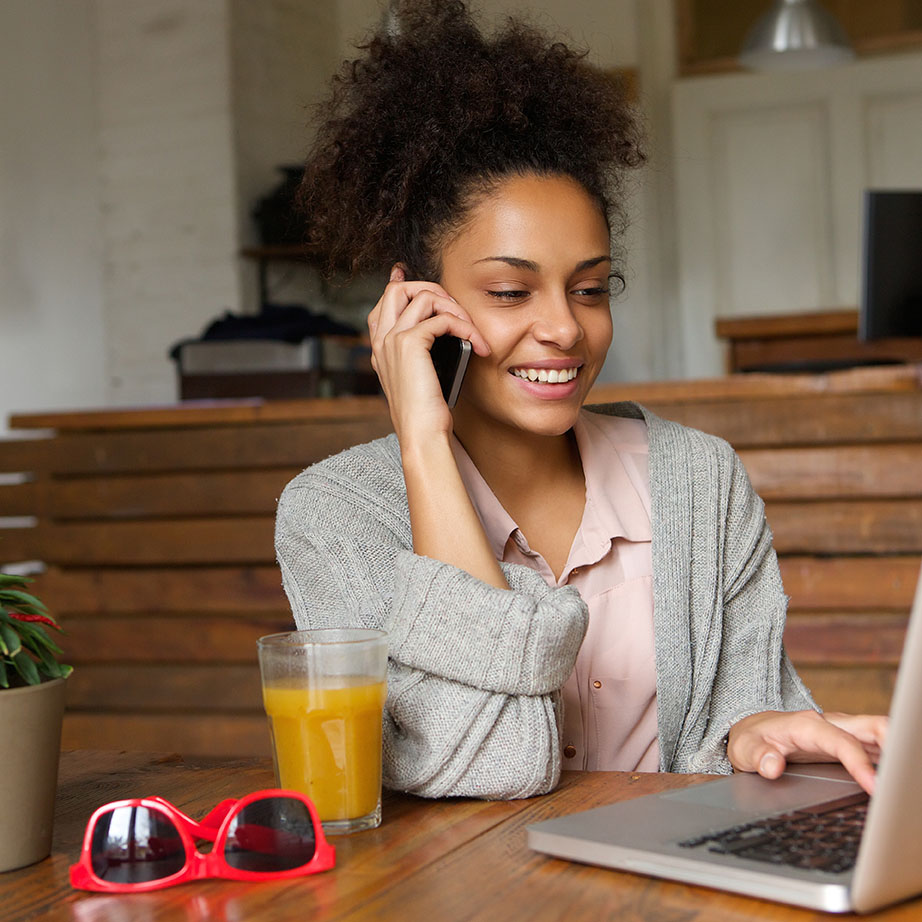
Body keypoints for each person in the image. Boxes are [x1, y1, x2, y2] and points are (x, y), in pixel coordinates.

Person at [275, 0, 886, 800]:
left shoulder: (701, 482)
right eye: (508, 291)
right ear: (420, 304)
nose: (565, 327)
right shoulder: (335, 518)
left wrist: (749, 734)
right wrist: (423, 442)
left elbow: (738, 710)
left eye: (591, 288)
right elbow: (490, 766)